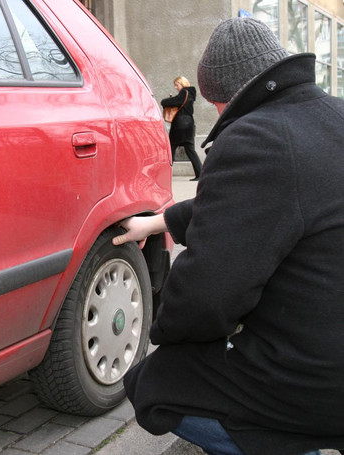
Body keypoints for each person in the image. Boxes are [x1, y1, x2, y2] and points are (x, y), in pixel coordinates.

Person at [113, 18, 344, 455]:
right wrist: (158, 221)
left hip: (321, 380)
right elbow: (254, 208)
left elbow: (208, 294)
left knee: (157, 382)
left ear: (227, 97)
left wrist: (165, 330)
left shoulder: (256, 139)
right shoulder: (331, 117)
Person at [161, 76, 202, 180]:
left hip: (180, 125)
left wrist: (164, 101)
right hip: (189, 124)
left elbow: (174, 102)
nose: (175, 87)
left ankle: (165, 175)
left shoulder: (184, 93)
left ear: (182, 84)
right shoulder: (190, 94)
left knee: (171, 149)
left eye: (177, 85)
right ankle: (200, 174)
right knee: (190, 150)